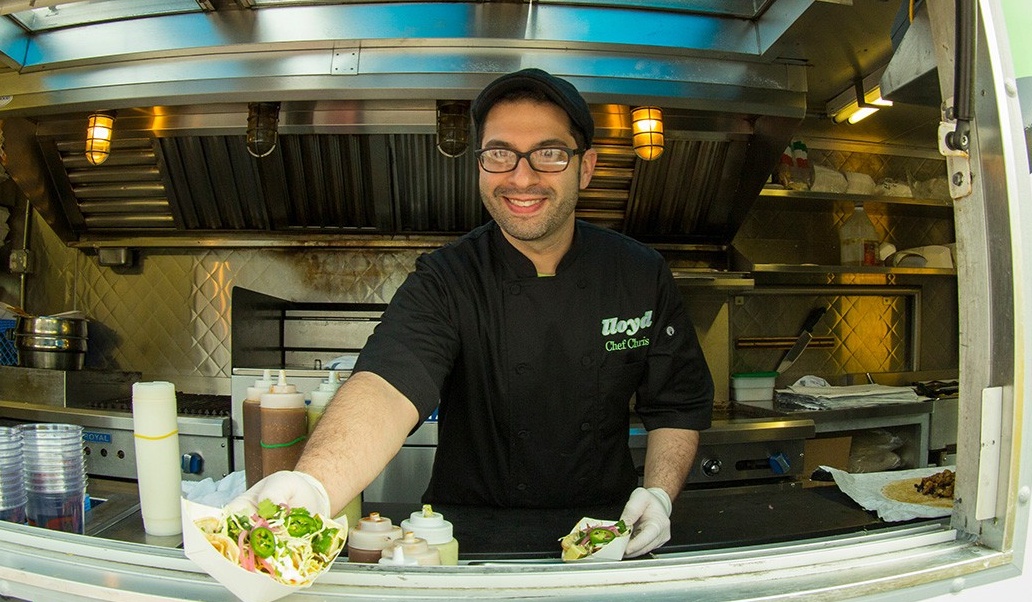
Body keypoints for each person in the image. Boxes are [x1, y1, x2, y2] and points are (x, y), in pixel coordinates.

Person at [233, 68, 714, 558]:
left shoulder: (639, 272)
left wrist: (658, 495)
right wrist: (313, 488)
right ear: (481, 165)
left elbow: (675, 405)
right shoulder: (448, 277)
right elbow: (387, 384)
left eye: (549, 153)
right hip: (463, 541)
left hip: (608, 535)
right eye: (500, 154)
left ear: (585, 167)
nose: (521, 177)